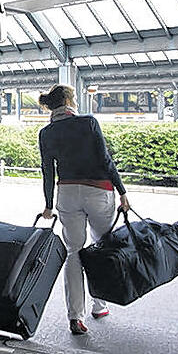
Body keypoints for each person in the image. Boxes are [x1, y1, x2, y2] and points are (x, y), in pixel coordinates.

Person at [37, 84, 130, 336]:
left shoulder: (46, 133)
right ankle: (100, 305)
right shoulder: (88, 123)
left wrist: (48, 204)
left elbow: (48, 171)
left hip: (67, 193)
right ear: (68, 100)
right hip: (98, 191)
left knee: (74, 253)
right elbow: (105, 159)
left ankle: (75, 317)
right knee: (101, 246)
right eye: (74, 97)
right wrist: (122, 192)